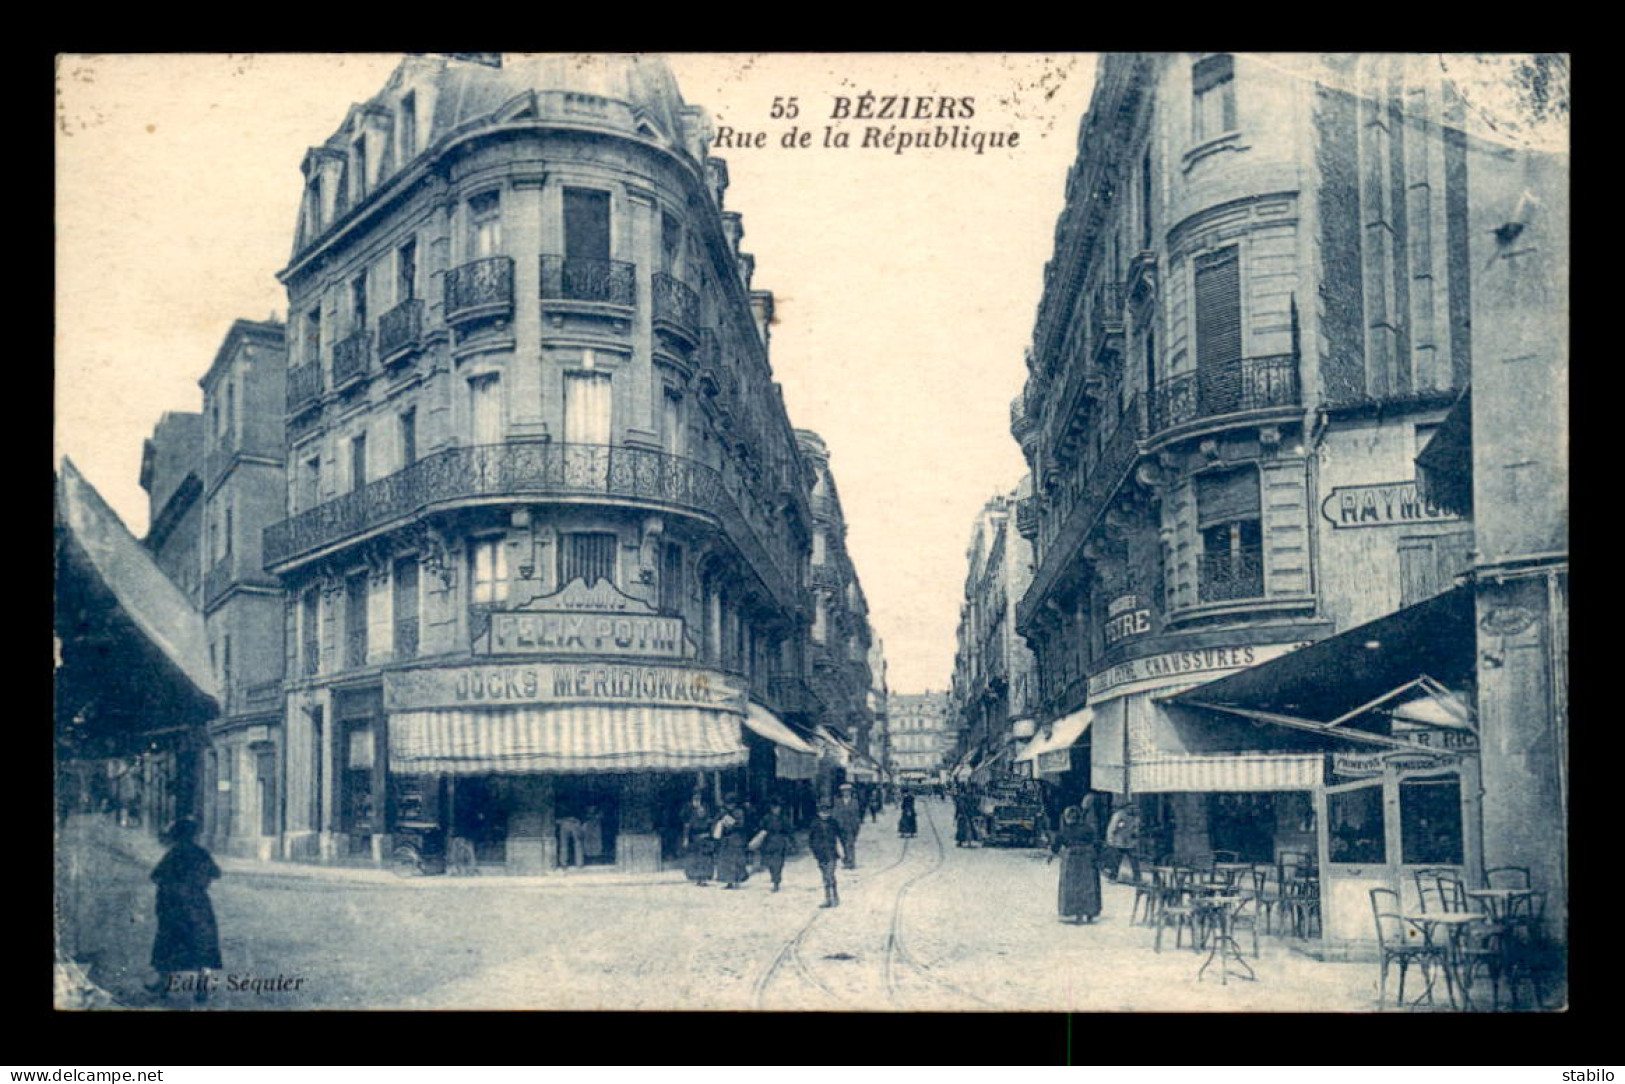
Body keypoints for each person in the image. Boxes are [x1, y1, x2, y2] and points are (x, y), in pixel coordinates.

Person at [147, 817, 222, 1002]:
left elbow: (155, 875)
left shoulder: (174, 853)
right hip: (198, 906)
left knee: (169, 944)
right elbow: (216, 873)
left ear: (177, 836)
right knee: (201, 945)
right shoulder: (201, 852)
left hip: (174, 907)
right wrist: (200, 883)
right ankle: (202, 988)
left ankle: (164, 983)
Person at [1049, 796, 1106, 924]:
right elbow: (1097, 842)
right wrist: (1097, 856)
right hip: (1087, 859)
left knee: (1073, 887)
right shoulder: (1087, 828)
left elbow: (1056, 845)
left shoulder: (1064, 831)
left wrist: (1052, 854)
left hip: (1072, 860)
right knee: (1088, 886)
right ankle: (1090, 912)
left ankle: (1076, 912)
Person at [807, 803, 845, 907]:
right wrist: (815, 851)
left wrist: (842, 851)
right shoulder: (814, 824)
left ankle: (835, 897)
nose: (825, 814)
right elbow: (810, 839)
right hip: (820, 854)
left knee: (830, 875)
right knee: (825, 877)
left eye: (827, 812)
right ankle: (828, 898)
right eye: (822, 812)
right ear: (818, 813)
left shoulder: (833, 823)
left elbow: (840, 837)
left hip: (832, 853)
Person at [757, 801, 792, 892]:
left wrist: (790, 841)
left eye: (778, 808)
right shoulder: (766, 818)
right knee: (770, 863)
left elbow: (789, 830)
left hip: (780, 842)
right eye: (774, 808)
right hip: (768, 842)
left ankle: (776, 882)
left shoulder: (783, 818)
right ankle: (774, 878)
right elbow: (761, 828)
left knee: (778, 863)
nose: (776, 810)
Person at [714, 799, 749, 889]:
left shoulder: (739, 812)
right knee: (726, 862)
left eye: (731, 803)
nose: (730, 806)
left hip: (736, 838)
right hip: (726, 840)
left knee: (737, 861)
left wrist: (731, 824)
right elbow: (716, 821)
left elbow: (741, 825)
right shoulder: (724, 812)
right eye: (728, 804)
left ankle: (737, 881)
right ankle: (729, 882)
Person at [682, 794, 715, 886]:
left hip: (705, 843)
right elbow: (688, 830)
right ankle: (698, 879)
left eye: (703, 811)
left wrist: (708, 835)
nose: (701, 813)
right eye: (699, 811)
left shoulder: (708, 821)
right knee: (696, 860)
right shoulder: (693, 820)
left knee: (706, 861)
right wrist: (686, 839)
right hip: (695, 843)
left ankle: (704, 879)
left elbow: (713, 831)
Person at [832, 784, 863, 870]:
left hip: (850, 827)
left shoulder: (855, 802)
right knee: (844, 844)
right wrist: (836, 825)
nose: (846, 793)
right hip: (840, 828)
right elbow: (835, 814)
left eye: (848, 791)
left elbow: (857, 816)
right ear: (841, 793)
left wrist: (857, 827)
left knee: (850, 845)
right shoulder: (837, 802)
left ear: (850, 792)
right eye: (844, 792)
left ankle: (851, 862)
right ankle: (847, 860)